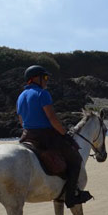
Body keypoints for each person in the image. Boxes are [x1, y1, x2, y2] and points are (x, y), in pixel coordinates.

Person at [16, 65, 92, 207]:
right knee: (75, 160)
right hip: (46, 136)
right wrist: (64, 134)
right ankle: (71, 198)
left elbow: (21, 120)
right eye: (44, 77)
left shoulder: (20, 96)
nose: (47, 80)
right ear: (35, 79)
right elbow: (52, 119)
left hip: (27, 136)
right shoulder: (42, 94)